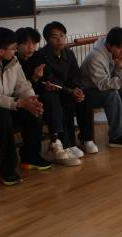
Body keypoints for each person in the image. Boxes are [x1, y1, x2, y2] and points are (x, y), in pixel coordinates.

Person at [0, 28, 51, 186]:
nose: (16, 51)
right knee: (2, 116)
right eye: (14, 48)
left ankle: (30, 157)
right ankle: (6, 169)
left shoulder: (12, 60)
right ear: (1, 51)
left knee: (34, 112)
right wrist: (19, 103)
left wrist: (31, 99)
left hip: (11, 103)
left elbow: (22, 84)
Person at [16, 27, 80, 166]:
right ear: (17, 45)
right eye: (26, 43)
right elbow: (18, 88)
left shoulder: (38, 56)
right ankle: (58, 143)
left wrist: (47, 84)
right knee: (45, 105)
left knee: (53, 96)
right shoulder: (14, 60)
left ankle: (57, 141)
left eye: (34, 43)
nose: (31, 47)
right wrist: (34, 78)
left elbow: (46, 79)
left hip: (38, 94)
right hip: (20, 99)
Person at [40, 22, 96, 157]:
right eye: (55, 37)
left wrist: (77, 89)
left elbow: (75, 74)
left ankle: (86, 138)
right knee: (67, 101)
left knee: (86, 96)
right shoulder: (42, 55)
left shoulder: (68, 53)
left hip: (70, 90)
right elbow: (51, 79)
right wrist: (70, 91)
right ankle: (68, 143)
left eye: (62, 35)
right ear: (47, 39)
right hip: (54, 92)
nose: (60, 40)